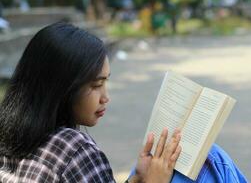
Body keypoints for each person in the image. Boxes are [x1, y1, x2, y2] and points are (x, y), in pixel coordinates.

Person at [0, 22, 182, 183]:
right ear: (62, 87)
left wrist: (136, 179)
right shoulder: (74, 150)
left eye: (105, 82)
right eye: (96, 85)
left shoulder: (9, 135)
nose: (105, 97)